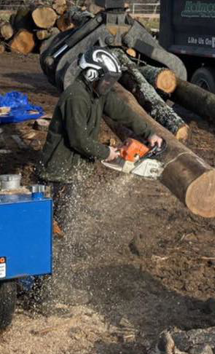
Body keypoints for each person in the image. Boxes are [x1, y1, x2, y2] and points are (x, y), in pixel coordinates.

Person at [36, 46, 163, 226]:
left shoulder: (98, 94)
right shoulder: (76, 97)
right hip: (57, 173)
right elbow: (78, 139)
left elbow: (123, 112)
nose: (108, 84)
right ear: (92, 74)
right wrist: (106, 152)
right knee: (52, 224)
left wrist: (149, 133)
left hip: (72, 170)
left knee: (66, 220)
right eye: (107, 79)